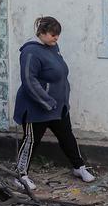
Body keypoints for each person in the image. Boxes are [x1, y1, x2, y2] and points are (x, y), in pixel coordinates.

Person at [12, 16, 94, 191]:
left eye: (58, 34)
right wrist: (46, 101)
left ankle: (78, 167)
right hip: (36, 107)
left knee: (67, 137)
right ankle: (20, 175)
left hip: (58, 106)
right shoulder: (30, 52)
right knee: (31, 141)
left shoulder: (52, 47)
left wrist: (60, 100)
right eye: (52, 34)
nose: (56, 38)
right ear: (41, 33)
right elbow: (29, 80)